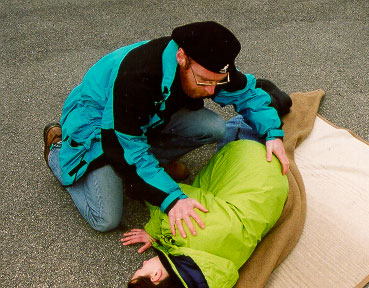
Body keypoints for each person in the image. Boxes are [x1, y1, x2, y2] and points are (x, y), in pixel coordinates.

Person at [43, 21, 291, 236]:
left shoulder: (210, 65)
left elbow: (247, 94)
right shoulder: (136, 79)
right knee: (106, 218)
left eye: (217, 82)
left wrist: (272, 133)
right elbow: (125, 147)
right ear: (182, 58)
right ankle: (56, 149)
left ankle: (151, 171)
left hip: (146, 117)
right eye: (204, 81)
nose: (211, 91)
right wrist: (172, 199)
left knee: (214, 127)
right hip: (97, 123)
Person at [121, 125, 289, 288]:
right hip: (254, 160)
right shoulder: (190, 233)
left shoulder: (208, 281)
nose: (143, 263)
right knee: (183, 196)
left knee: (205, 195)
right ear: (156, 276)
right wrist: (153, 229)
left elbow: (187, 249)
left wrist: (159, 240)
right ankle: (249, 123)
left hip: (275, 190)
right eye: (141, 270)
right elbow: (167, 197)